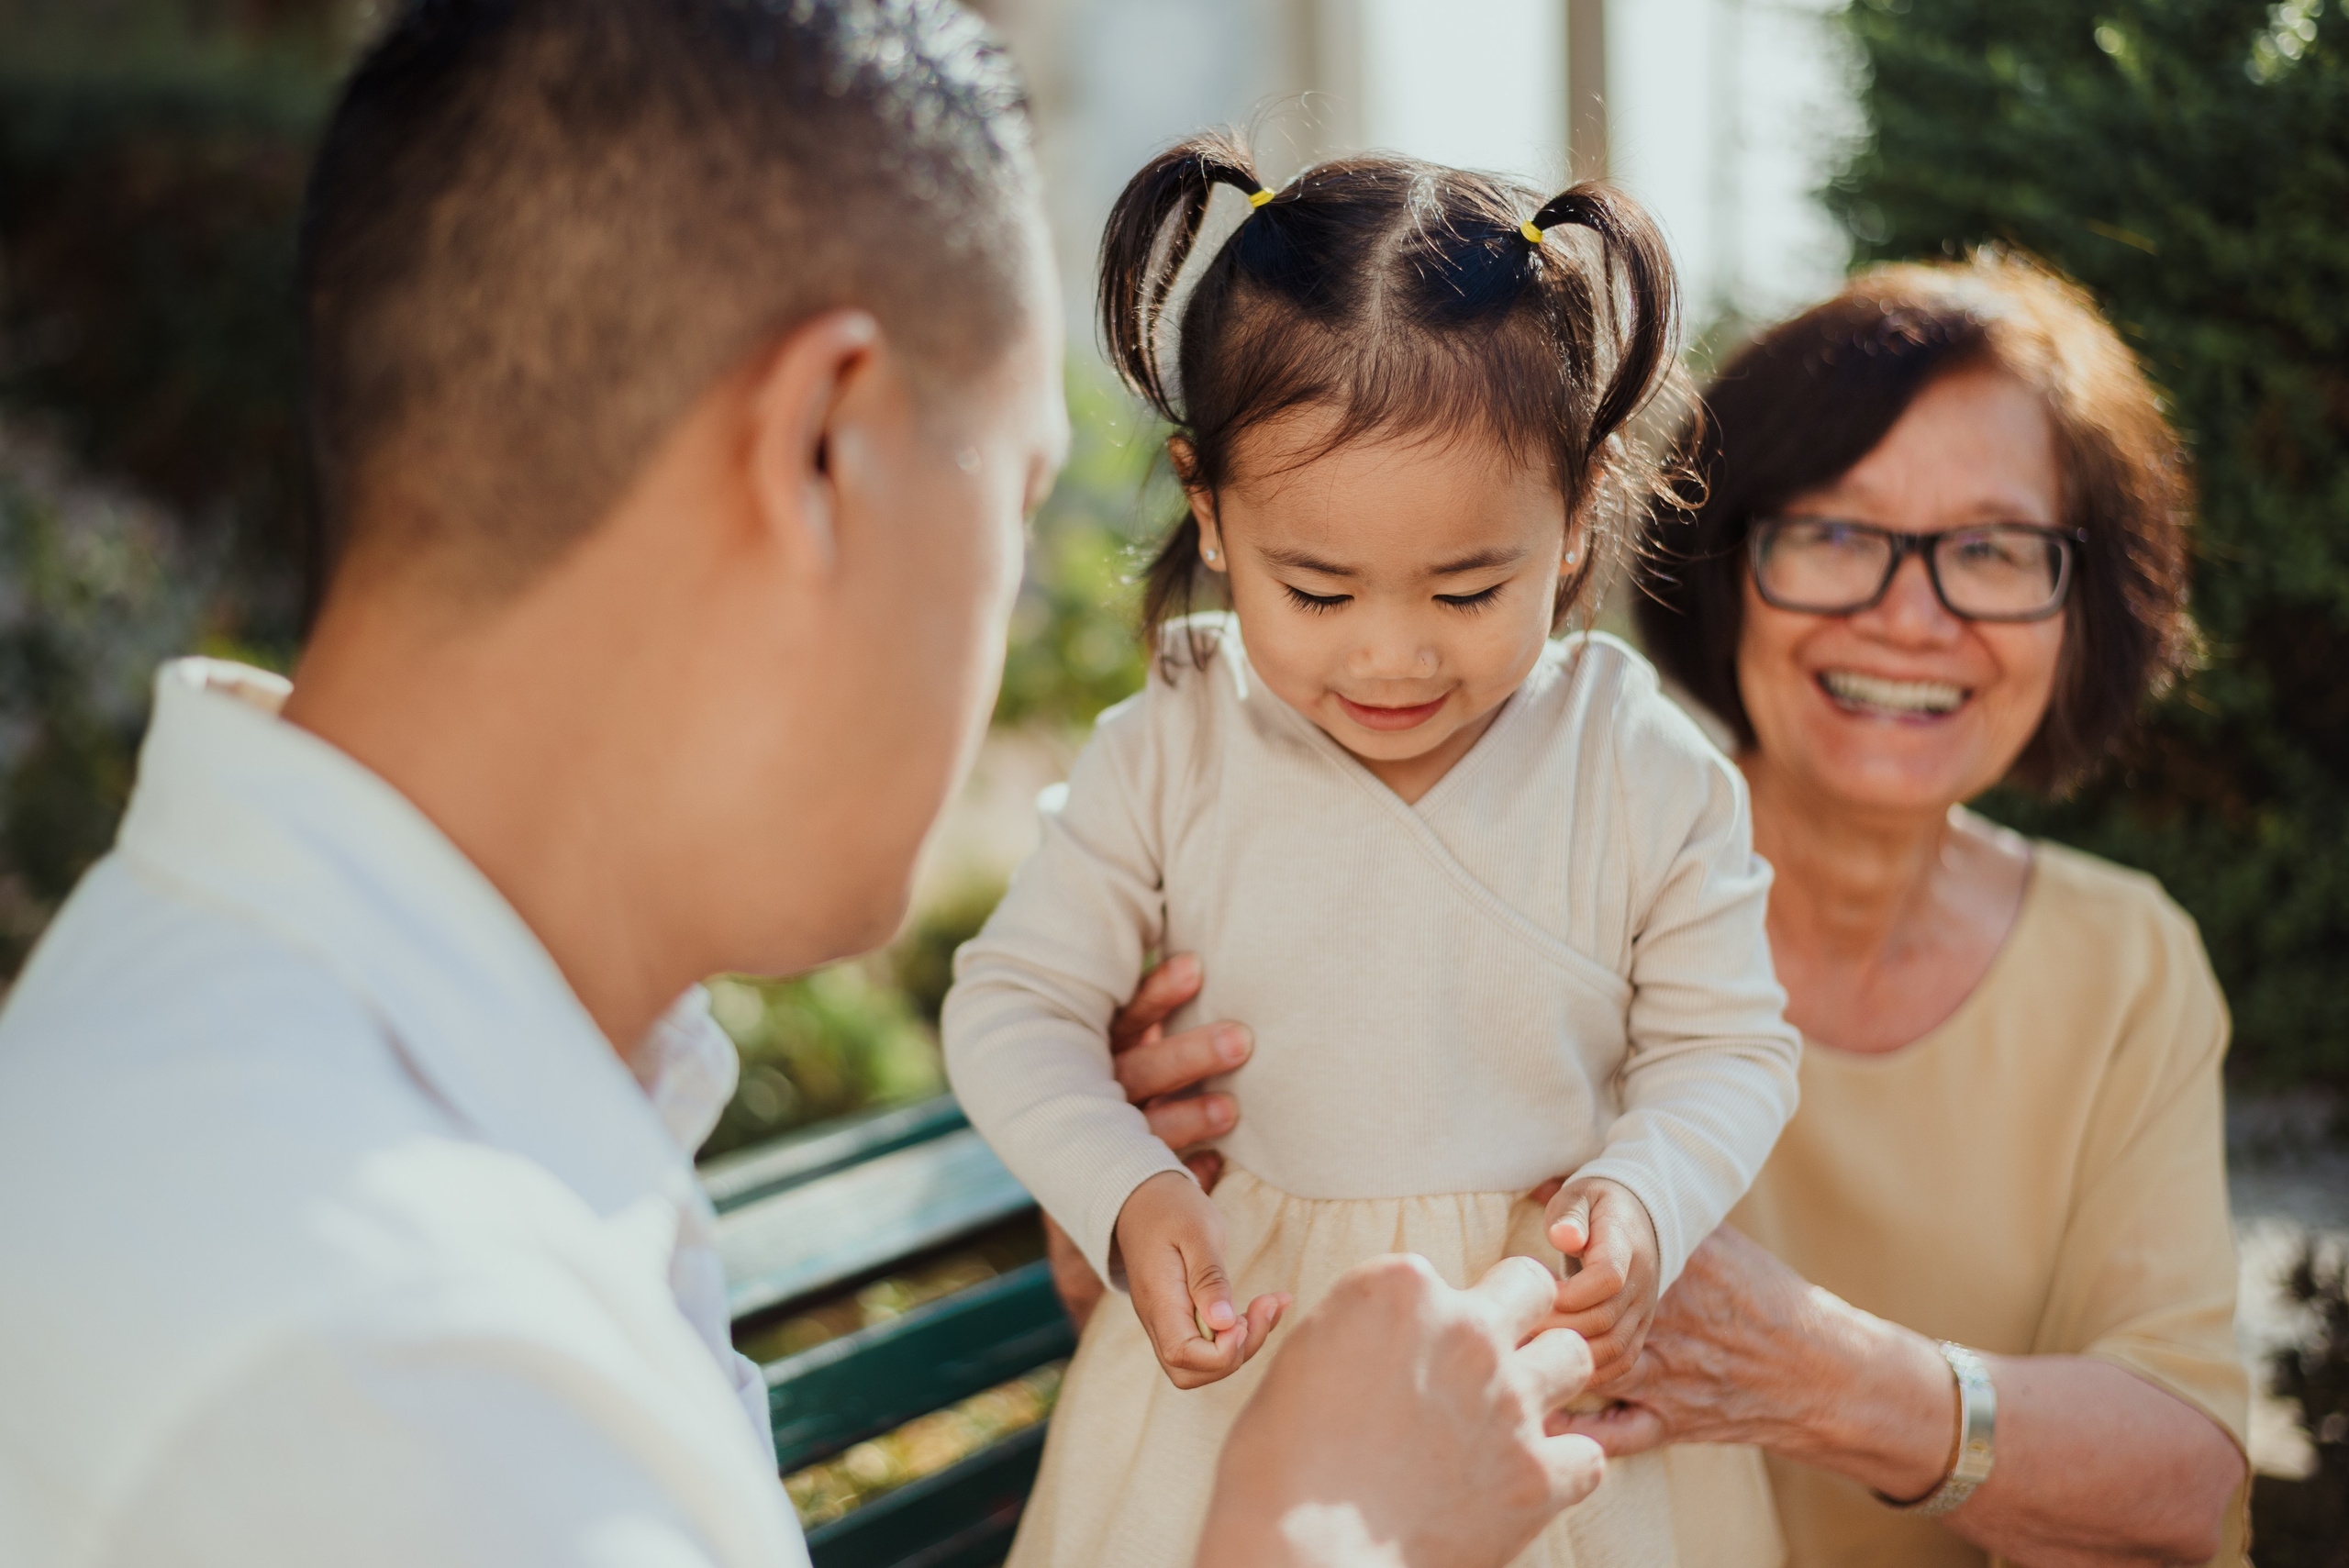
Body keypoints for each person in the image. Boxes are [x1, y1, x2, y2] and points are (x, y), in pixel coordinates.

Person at [0, 5, 1613, 1566]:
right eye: (1019, 487)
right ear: (825, 453)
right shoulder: (400, 1352)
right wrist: (1327, 1537)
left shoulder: (260, 1061)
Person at [1060, 252, 2252, 1568]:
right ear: (1726, 555)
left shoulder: (2123, 964)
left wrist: (1813, 1370)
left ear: (2080, 600)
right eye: (1837, 535)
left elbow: (2186, 1489)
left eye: (1990, 549)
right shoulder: (1505, 843)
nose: (1909, 615)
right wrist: (1130, 1161)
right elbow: (1174, 1294)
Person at [941, 132, 1802, 1568]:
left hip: (1543, 1371)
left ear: (1580, 512)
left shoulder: (1637, 759)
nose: (1393, 653)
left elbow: (1733, 1046)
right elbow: (1012, 1003)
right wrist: (1125, 1182)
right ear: (1208, 510)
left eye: (1469, 589)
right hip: (1244, 1384)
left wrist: (1645, 1197)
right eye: (1318, 587)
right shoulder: (1176, 737)